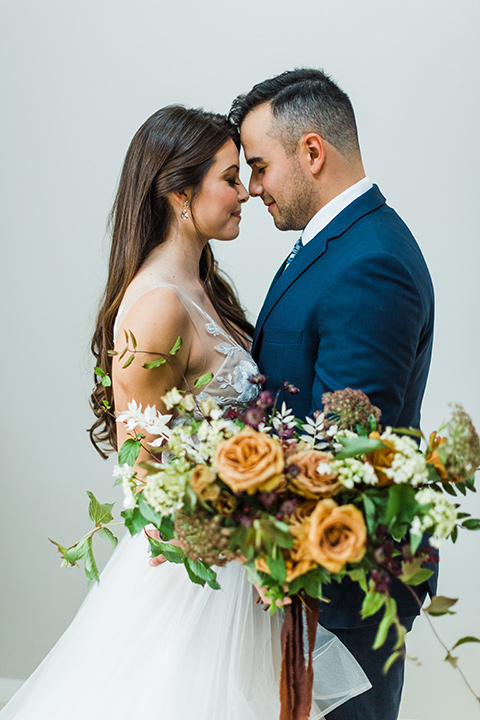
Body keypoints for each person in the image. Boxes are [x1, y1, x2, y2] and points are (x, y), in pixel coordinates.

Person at [1, 105, 369, 719]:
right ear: (178, 192)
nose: (247, 192)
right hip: (199, 580)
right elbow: (142, 473)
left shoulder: (204, 290)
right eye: (230, 178)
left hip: (245, 572)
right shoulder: (157, 308)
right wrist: (239, 531)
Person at [229, 68, 436, 720]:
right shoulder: (328, 246)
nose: (252, 187)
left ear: (312, 152)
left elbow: (341, 446)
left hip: (345, 583)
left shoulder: (370, 259)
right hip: (311, 578)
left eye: (259, 166)